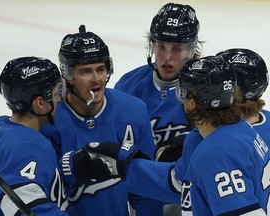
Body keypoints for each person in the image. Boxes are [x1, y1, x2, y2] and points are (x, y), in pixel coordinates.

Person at [85, 56, 270, 215]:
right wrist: (125, 166)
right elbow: (180, 182)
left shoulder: (216, 154)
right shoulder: (238, 132)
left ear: (191, 103)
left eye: (182, 93)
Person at [40, 25, 158, 216]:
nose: (97, 79)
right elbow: (41, 187)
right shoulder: (48, 119)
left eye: (101, 69)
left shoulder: (133, 111)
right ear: (68, 76)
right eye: (86, 71)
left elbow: (146, 188)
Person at [114, 3, 202, 214]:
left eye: (177, 49)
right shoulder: (128, 86)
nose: (168, 57)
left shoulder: (207, 87)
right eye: (161, 46)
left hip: (190, 193)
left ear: (192, 49)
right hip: (142, 195)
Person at [0, 57, 69, 215]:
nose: (59, 99)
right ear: (40, 103)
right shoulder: (28, 145)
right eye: (56, 94)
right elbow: (30, 208)